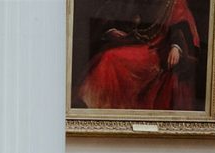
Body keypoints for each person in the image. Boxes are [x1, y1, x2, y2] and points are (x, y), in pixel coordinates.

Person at [73, 0, 201, 111]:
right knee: (108, 57)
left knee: (110, 58)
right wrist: (111, 31)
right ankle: (88, 103)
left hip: (161, 49)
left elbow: (181, 26)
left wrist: (176, 47)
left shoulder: (175, 2)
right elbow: (120, 16)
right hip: (138, 44)